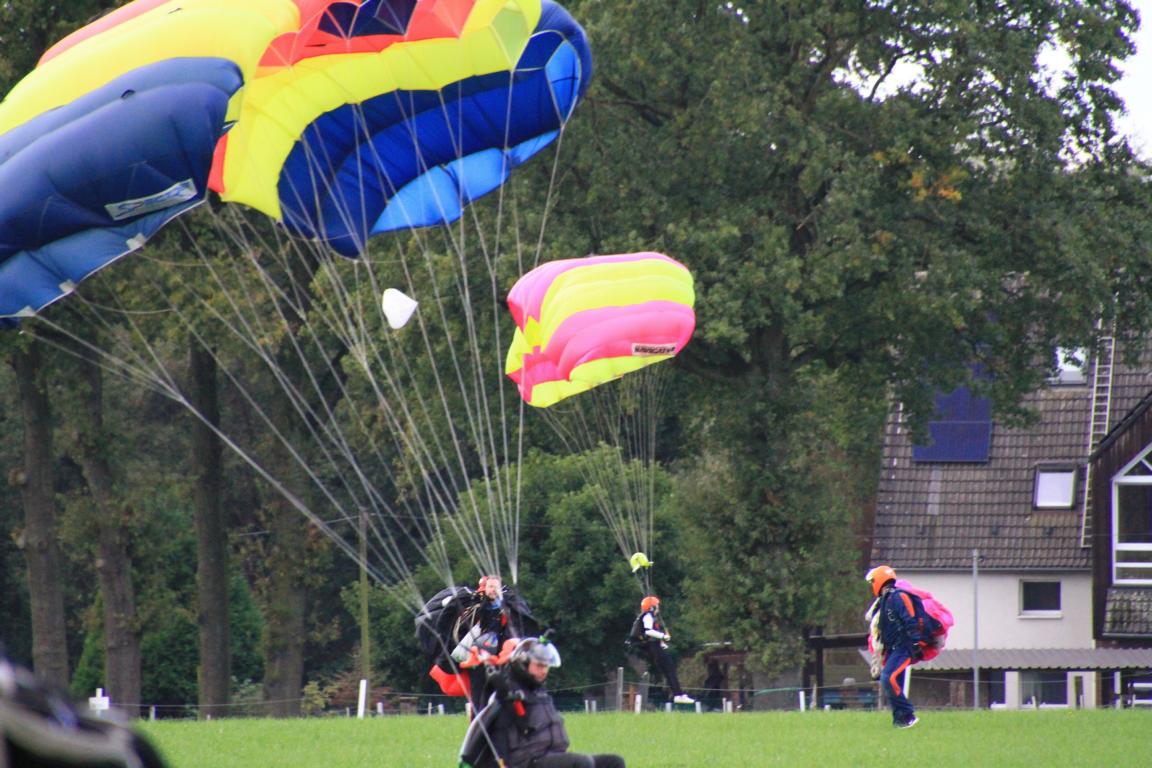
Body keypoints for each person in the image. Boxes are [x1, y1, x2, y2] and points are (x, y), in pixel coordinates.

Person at [459, 637, 625, 768]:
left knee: (614, 762)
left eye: (546, 666)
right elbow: (498, 736)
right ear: (524, 664)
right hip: (528, 762)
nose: (544, 671)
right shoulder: (508, 694)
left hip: (551, 756)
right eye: (539, 665)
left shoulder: (537, 691)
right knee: (581, 763)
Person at [451, 575, 537, 712]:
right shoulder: (476, 605)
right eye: (490, 587)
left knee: (502, 694)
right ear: (485, 589)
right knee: (478, 695)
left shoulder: (510, 605)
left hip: (501, 658)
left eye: (495, 587)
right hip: (479, 658)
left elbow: (522, 623)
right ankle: (478, 721)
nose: (492, 590)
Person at [864, 564, 929, 729]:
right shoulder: (886, 599)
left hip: (904, 647)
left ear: (880, 580)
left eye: (873, 582)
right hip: (894, 648)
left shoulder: (899, 596)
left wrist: (915, 644)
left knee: (888, 678)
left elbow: (910, 620)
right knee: (893, 684)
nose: (872, 586)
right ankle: (899, 720)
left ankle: (908, 714)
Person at [636, 595, 695, 705]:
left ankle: (678, 694)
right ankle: (678, 695)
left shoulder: (650, 617)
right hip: (654, 648)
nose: (658, 607)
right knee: (670, 669)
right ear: (652, 607)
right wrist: (663, 636)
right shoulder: (648, 616)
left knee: (669, 670)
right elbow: (648, 631)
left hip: (655, 647)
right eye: (656, 605)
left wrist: (662, 642)